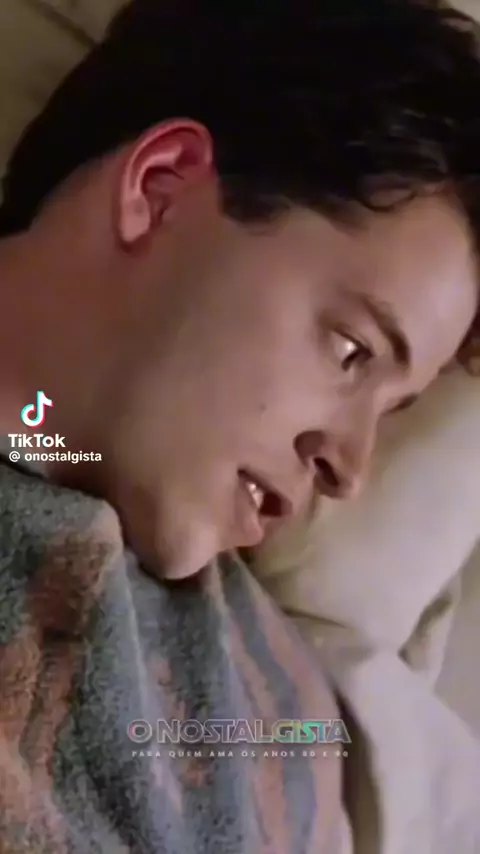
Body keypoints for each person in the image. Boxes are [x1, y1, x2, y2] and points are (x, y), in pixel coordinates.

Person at [0, 1, 479, 851]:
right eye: (351, 350)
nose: (350, 468)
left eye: (392, 410)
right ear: (160, 188)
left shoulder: (295, 705)